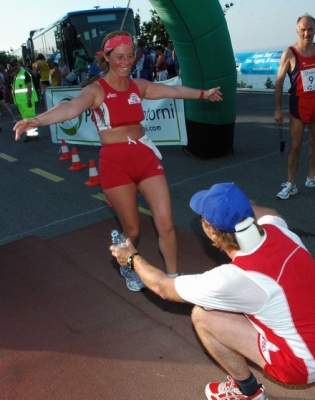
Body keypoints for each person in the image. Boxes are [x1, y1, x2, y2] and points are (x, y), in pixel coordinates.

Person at [13, 30, 222, 292]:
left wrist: (204, 93)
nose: (125, 61)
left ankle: (172, 279)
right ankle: (126, 263)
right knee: (132, 230)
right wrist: (38, 120)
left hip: (145, 157)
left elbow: (175, 89)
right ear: (107, 58)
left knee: (166, 224)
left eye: (130, 56)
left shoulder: (139, 86)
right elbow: (70, 108)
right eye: (119, 56)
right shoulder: (96, 90)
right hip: (115, 165)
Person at [109, 181, 315, 400]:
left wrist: (131, 258)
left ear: (210, 230)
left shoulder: (233, 278)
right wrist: (240, 207)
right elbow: (268, 212)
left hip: (303, 367)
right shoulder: (278, 228)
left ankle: (247, 392)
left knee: (202, 315)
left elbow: (163, 288)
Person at [274, 14, 315, 200]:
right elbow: (278, 82)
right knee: (295, 146)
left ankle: (312, 177)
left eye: (310, 29)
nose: (306, 33)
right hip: (299, 105)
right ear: (297, 30)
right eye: (303, 29)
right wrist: (278, 108)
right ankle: (291, 184)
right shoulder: (290, 53)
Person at [10, 59, 39, 142]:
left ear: (19, 64)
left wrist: (29, 99)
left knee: (30, 118)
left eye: (16, 64)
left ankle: (32, 136)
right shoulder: (17, 75)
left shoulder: (24, 73)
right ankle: (31, 135)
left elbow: (29, 87)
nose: (15, 66)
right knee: (27, 118)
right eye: (13, 65)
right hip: (21, 102)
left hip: (26, 101)